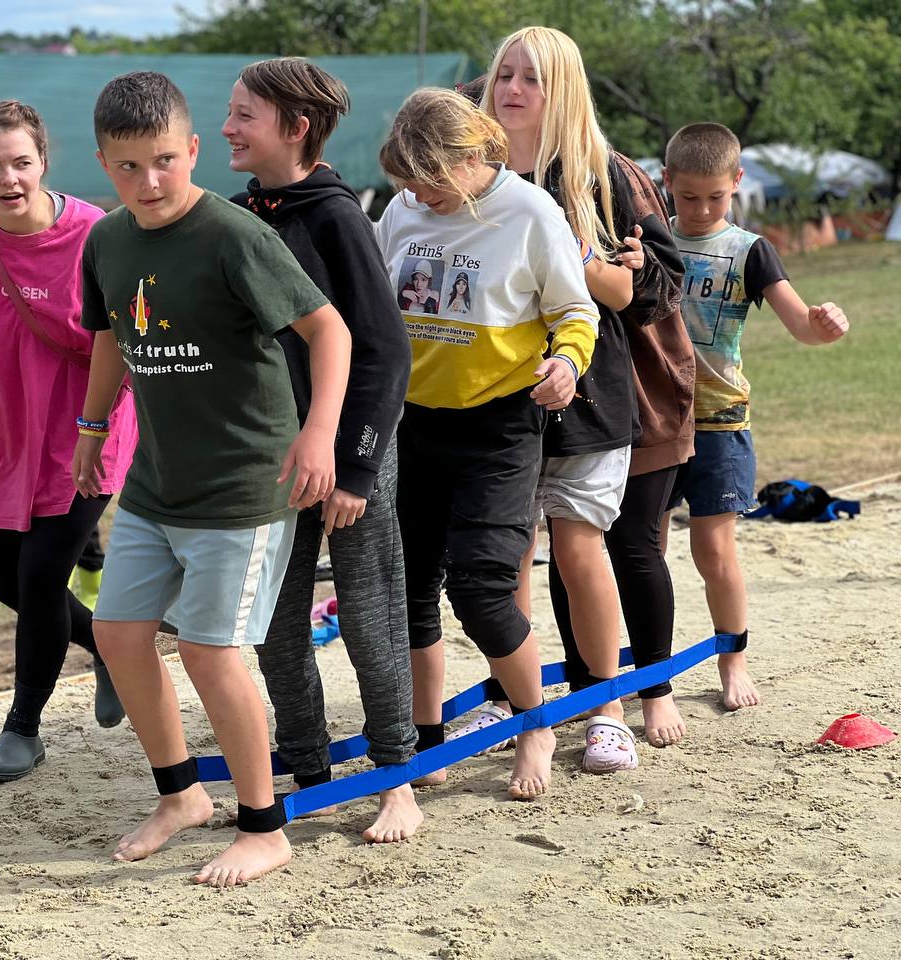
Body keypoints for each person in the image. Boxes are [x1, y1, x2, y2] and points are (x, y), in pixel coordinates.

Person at [73, 71, 351, 886]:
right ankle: (182, 795)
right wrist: (93, 428)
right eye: (128, 168)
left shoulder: (235, 237)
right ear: (103, 165)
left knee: (209, 650)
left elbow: (329, 332)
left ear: (193, 150)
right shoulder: (108, 242)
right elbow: (112, 338)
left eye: (164, 160)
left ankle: (265, 827)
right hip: (158, 483)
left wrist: (319, 435)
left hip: (244, 487)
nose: (149, 182)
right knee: (116, 635)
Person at [375, 87, 599, 799]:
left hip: (499, 424)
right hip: (414, 422)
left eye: (431, 181)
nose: (418, 195)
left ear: (475, 156)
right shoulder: (404, 209)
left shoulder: (530, 212)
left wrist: (565, 363)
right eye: (408, 183)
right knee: (408, 591)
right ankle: (425, 739)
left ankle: (533, 723)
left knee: (482, 589)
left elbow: (575, 310)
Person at [222, 56, 421, 843]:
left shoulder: (336, 217)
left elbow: (384, 351)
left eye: (244, 115)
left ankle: (395, 777)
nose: (228, 128)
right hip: (273, 456)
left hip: (350, 452)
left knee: (372, 617)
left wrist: (359, 466)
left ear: (296, 128)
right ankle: (306, 766)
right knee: (275, 621)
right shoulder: (242, 212)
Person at [0, 99, 138, 784]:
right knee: (7, 583)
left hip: (89, 430)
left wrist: (96, 426)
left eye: (20, 163)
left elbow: (126, 341)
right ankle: (107, 645)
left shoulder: (100, 235)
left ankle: (23, 729)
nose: (8, 178)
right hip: (2, 438)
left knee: (41, 577)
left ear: (43, 160)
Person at [478, 25, 688, 765]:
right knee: (504, 557)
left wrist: (590, 260)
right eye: (503, 74)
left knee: (578, 545)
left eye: (529, 78)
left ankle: (607, 707)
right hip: (493, 393)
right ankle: (517, 702)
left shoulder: (604, 171)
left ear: (561, 87)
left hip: (589, 391)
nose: (510, 90)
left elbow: (654, 291)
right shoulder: (473, 167)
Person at [662, 121, 848, 711]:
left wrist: (822, 326)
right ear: (667, 182)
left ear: (736, 183)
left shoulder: (749, 250)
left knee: (712, 553)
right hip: (654, 422)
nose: (699, 208)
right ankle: (649, 672)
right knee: (643, 550)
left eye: (714, 196)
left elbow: (800, 324)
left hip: (719, 422)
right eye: (687, 195)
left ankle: (732, 657)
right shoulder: (649, 239)